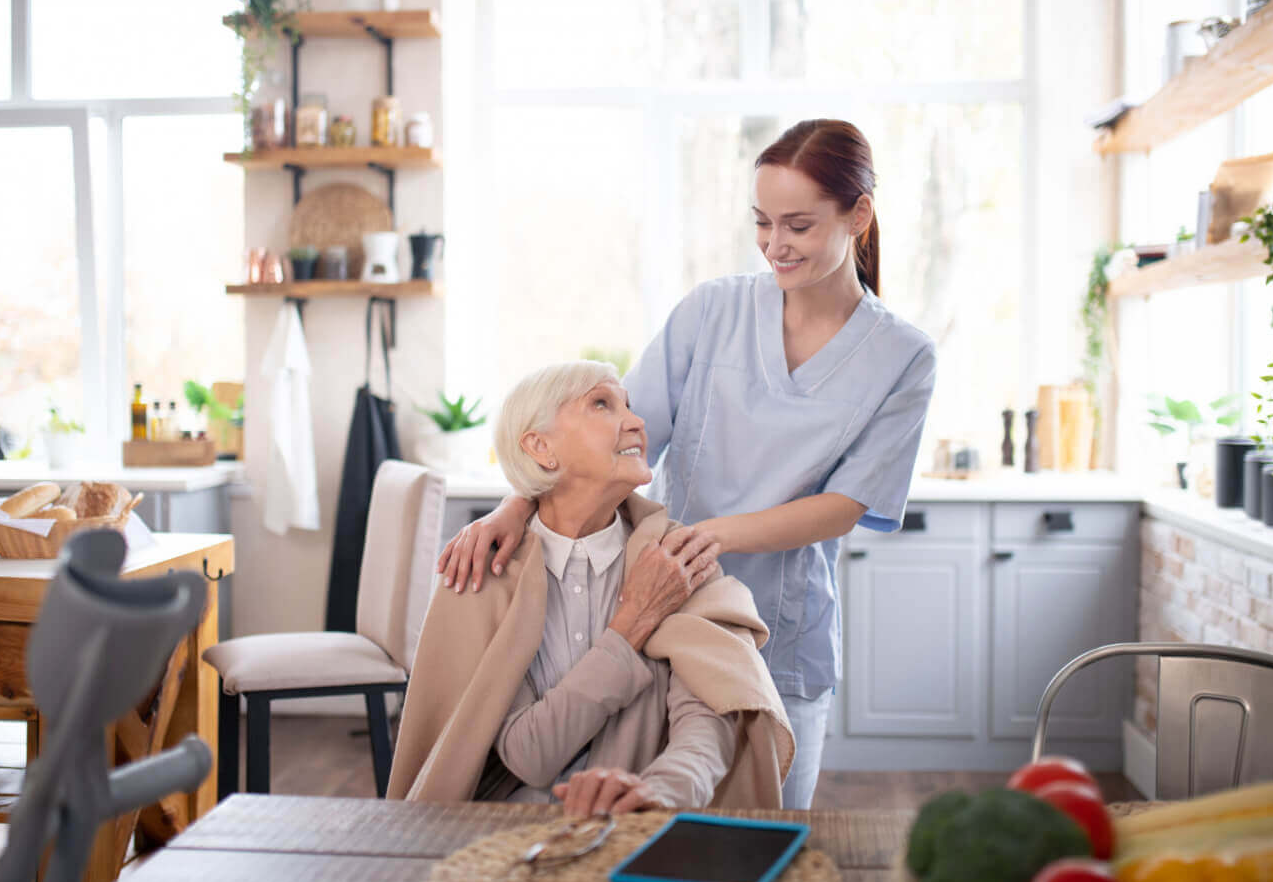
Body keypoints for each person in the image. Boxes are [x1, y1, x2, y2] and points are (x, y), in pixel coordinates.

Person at [438, 119, 936, 808]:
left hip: (782, 638)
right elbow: (617, 437)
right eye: (762, 222)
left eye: (798, 225)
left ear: (858, 214)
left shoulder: (904, 355)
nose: (775, 245)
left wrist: (713, 536)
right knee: (649, 827)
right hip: (660, 615)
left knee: (767, 838)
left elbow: (848, 504)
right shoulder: (713, 312)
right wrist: (515, 503)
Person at [390, 361, 794, 814]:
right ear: (541, 447)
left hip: (644, 829)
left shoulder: (677, 558)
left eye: (629, 405)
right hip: (504, 830)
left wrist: (665, 789)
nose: (637, 422)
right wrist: (631, 625)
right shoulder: (485, 572)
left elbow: (708, 719)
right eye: (601, 404)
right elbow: (529, 755)